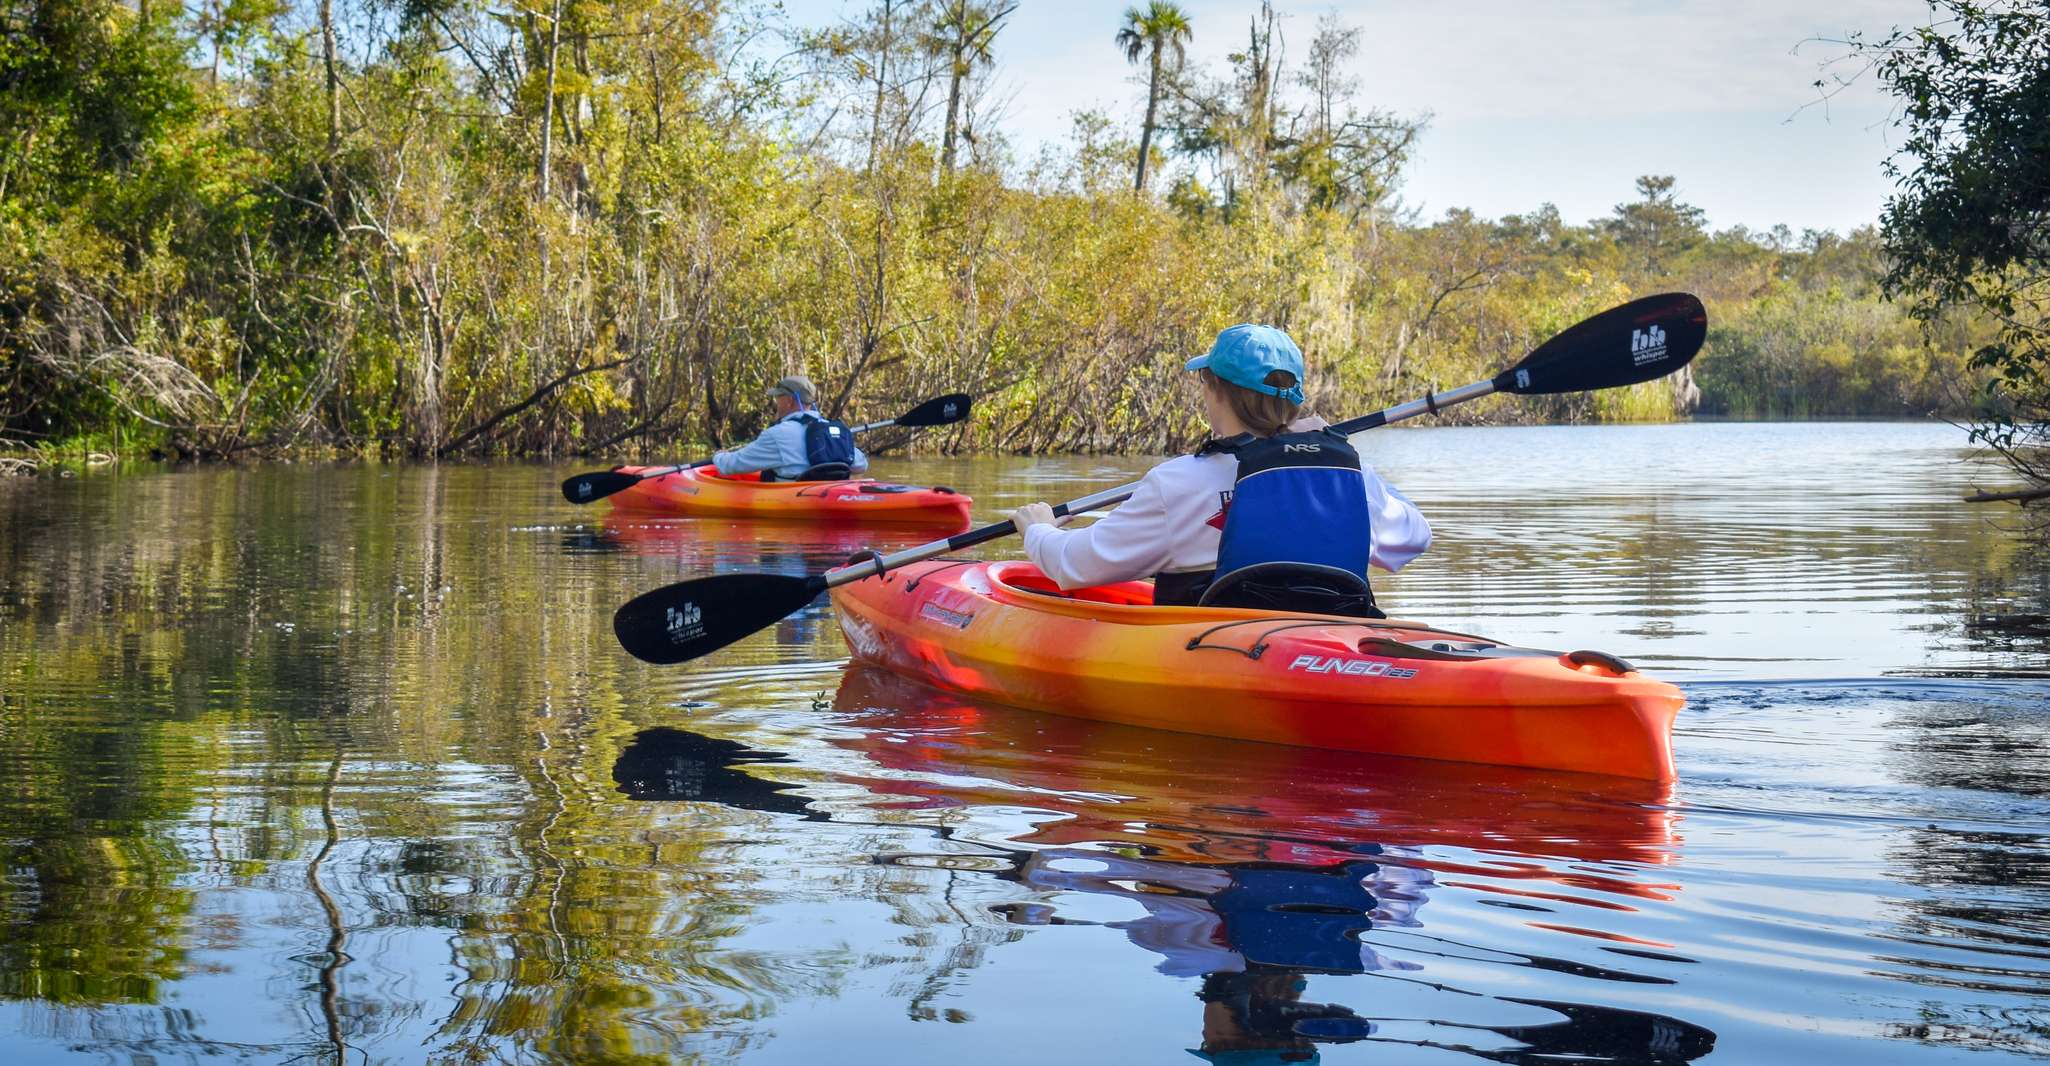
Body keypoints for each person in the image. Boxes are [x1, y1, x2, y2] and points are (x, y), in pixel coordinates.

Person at [1007, 324, 1429, 612]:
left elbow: (1072, 566)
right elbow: (1413, 537)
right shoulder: (1349, 474)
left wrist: (1039, 528)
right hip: (1322, 639)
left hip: (1216, 645)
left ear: (1215, 391)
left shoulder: (1177, 482)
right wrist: (1340, 454)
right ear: (1295, 400)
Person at [712, 375, 868, 481]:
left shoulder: (776, 434)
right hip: (831, 493)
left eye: (778, 397)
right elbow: (861, 465)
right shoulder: (832, 430)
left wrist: (719, 457)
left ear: (789, 401)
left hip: (795, 498)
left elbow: (730, 466)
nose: (776, 402)